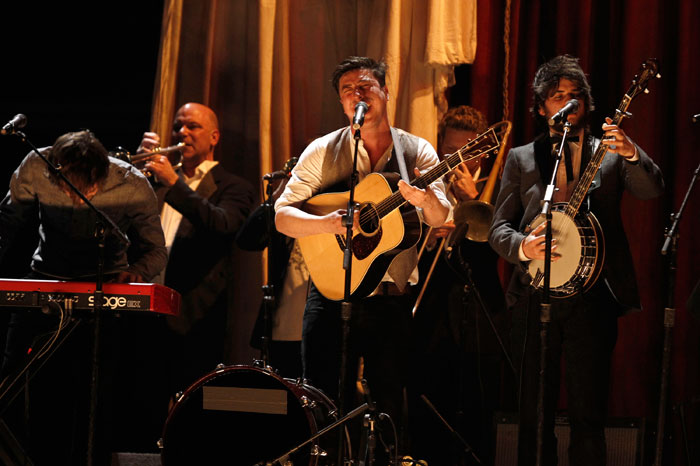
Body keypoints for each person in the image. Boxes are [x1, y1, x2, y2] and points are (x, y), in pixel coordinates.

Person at [488, 55, 664, 466]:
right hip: (534, 294)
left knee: (589, 414)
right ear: (541, 107)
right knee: (533, 414)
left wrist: (633, 152)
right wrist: (523, 248)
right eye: (557, 96)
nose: (567, 102)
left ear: (587, 102)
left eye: (575, 95)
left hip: (593, 295)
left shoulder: (610, 152)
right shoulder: (522, 157)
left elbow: (652, 189)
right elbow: (498, 228)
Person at [274, 56, 451, 461]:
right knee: (322, 398)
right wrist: (328, 224)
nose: (358, 94)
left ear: (386, 92)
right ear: (341, 102)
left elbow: (444, 216)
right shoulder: (323, 149)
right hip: (331, 290)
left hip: (390, 294)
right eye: (348, 90)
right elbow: (283, 216)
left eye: (366, 85)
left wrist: (426, 201)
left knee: (389, 401)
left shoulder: (416, 150)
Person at [0, 129, 167, 464]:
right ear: (54, 170)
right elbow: (6, 223)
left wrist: (136, 272)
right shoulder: (35, 165)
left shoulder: (131, 183)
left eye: (86, 186)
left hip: (103, 286)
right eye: (67, 184)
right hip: (45, 278)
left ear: (101, 171)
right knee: (14, 377)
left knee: (91, 391)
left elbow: (155, 251)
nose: (77, 196)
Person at [410, 105, 511, 465]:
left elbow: (500, 253)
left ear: (482, 151)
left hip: (481, 318)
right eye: (449, 151)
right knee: (426, 416)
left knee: (476, 419)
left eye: (466, 152)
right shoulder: (428, 186)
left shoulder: (500, 186)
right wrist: (431, 239)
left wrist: (472, 200)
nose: (455, 161)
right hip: (431, 319)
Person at [137, 102, 255, 393]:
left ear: (214, 137)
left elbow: (223, 224)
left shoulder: (233, 186)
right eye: (178, 126)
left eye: (193, 126)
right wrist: (136, 175)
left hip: (195, 319)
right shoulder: (157, 182)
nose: (182, 132)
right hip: (145, 315)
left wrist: (175, 182)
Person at [236, 163, 306, 379]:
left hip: (323, 329)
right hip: (281, 327)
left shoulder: (334, 208)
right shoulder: (285, 214)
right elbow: (246, 240)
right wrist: (277, 198)